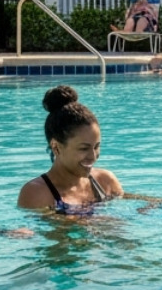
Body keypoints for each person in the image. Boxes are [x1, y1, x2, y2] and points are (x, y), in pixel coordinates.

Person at [17, 85, 125, 213]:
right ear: (56, 147)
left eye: (96, 146)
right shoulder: (37, 193)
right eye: (84, 148)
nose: (93, 156)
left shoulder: (105, 181)